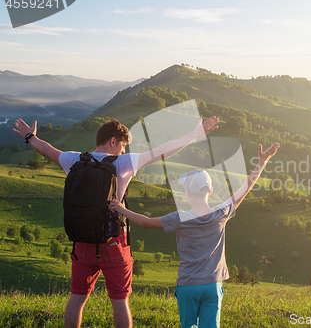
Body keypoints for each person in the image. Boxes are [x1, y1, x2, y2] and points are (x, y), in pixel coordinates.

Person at [12, 116, 219, 328]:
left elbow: (46, 149)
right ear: (113, 141)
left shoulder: (75, 160)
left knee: (77, 298)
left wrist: (30, 136)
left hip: (82, 240)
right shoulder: (122, 163)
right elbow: (161, 152)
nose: (123, 151)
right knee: (119, 300)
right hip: (114, 241)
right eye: (122, 146)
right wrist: (194, 135)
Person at [109, 142, 280, 328]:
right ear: (210, 191)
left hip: (188, 285)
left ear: (187, 192)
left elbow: (146, 223)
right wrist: (262, 161)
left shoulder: (180, 218)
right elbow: (246, 187)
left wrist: (121, 209)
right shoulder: (221, 213)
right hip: (212, 285)